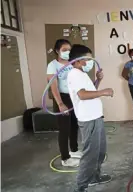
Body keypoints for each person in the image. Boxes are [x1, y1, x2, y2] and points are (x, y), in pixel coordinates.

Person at [67, 44, 113, 192]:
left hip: (96, 117)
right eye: (87, 59)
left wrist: (98, 81)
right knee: (90, 154)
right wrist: (103, 92)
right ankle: (81, 186)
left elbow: (88, 90)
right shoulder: (74, 73)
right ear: (78, 60)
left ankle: (94, 177)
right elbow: (82, 95)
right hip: (88, 119)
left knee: (100, 151)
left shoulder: (81, 73)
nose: (89, 62)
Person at [46, 39, 81, 167]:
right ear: (57, 51)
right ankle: (65, 159)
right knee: (64, 129)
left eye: (69, 50)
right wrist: (60, 103)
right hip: (62, 98)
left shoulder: (72, 63)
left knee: (74, 125)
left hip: (73, 97)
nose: (67, 52)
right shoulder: (53, 65)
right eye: (64, 50)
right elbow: (53, 86)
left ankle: (74, 150)